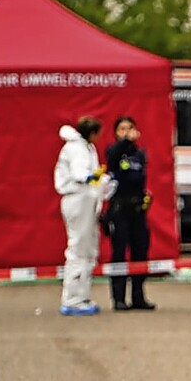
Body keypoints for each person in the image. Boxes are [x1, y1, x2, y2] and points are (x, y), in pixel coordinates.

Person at [54, 117, 108, 316]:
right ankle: (73, 299)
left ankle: (80, 296)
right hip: (78, 199)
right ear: (92, 133)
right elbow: (80, 173)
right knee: (79, 248)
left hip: (84, 198)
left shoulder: (85, 147)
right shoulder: (77, 148)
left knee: (87, 248)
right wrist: (95, 177)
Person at [104, 115, 156, 311]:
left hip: (137, 210)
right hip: (119, 209)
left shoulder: (139, 153)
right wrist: (125, 141)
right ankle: (118, 298)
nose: (127, 132)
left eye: (130, 128)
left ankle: (138, 296)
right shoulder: (114, 151)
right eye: (122, 129)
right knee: (119, 254)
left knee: (140, 252)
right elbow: (113, 158)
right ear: (116, 133)